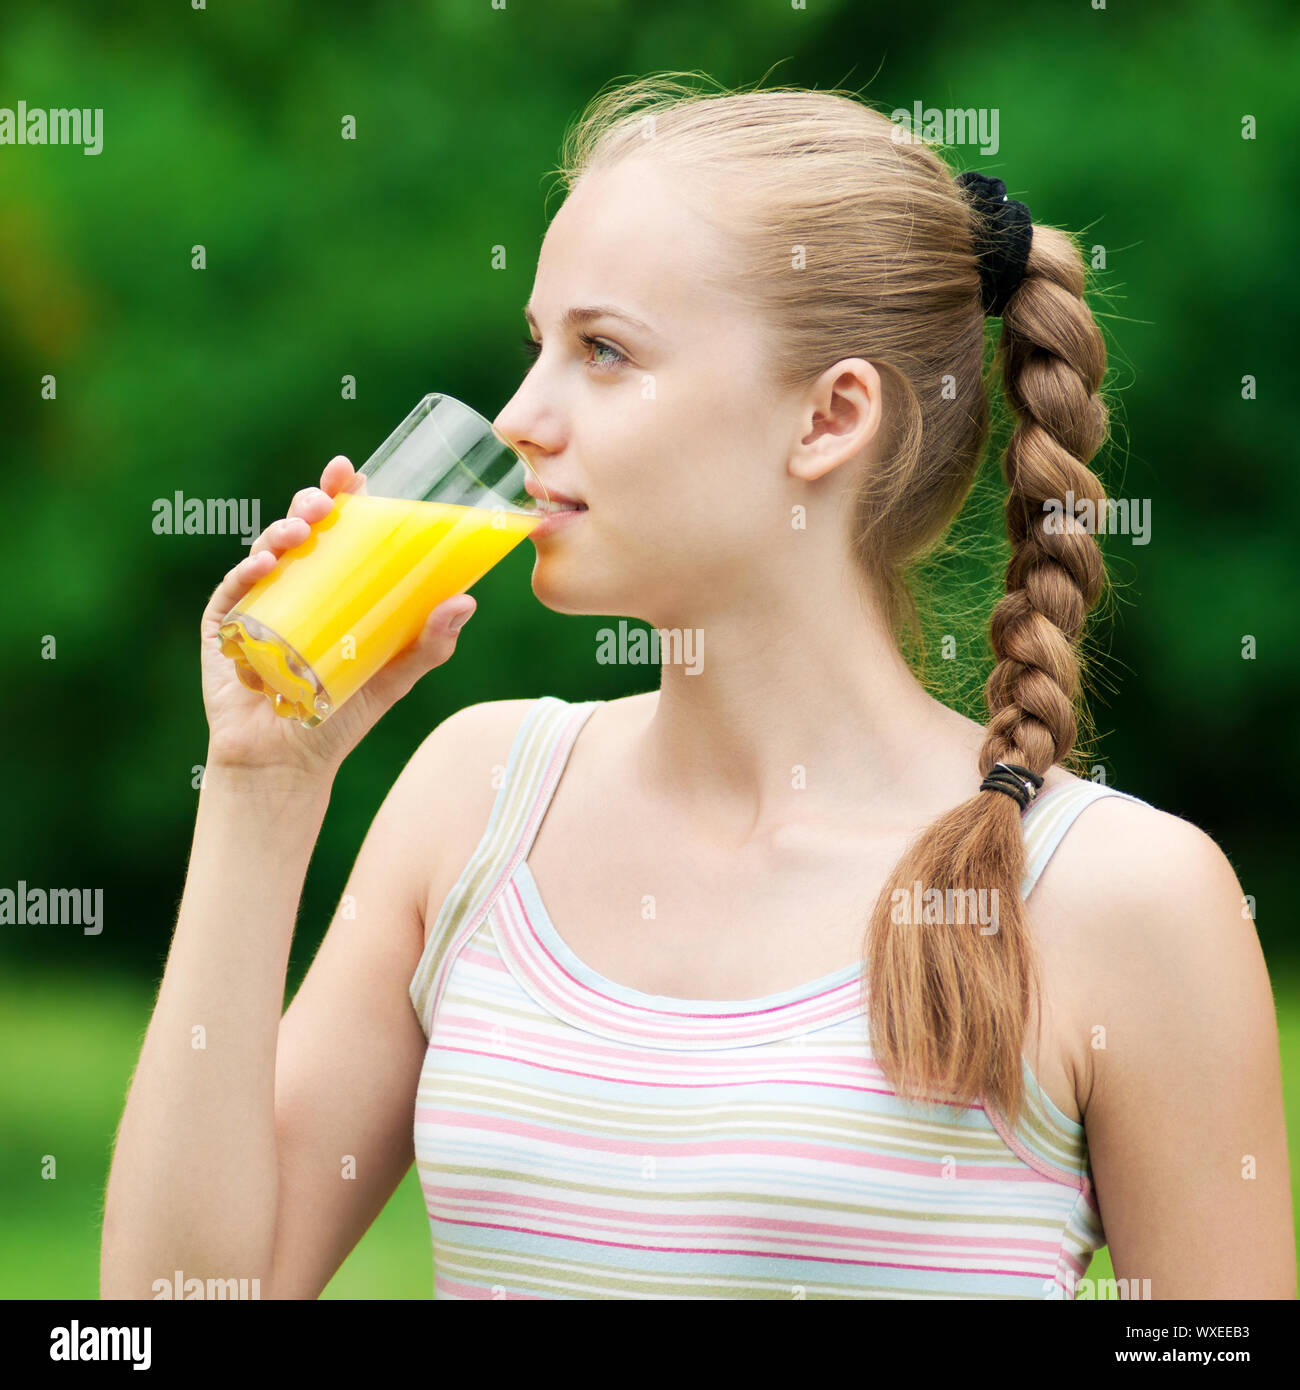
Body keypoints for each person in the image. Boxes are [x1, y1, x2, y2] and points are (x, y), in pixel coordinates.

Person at [101, 76, 1294, 1300]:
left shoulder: (1119, 899)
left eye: (603, 353)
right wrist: (261, 780)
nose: (519, 417)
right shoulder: (476, 804)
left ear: (828, 417)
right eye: (538, 347)